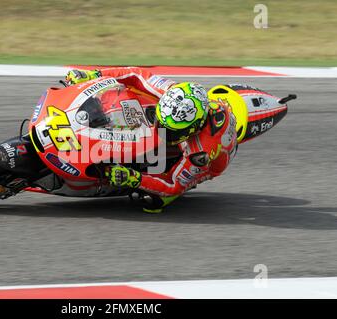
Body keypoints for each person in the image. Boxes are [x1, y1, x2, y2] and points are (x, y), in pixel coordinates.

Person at [66, 67, 238, 213]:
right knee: (128, 93)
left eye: (171, 130)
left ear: (194, 128)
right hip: (192, 115)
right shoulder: (172, 91)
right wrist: (94, 75)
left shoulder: (200, 152)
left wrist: (134, 178)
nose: (163, 131)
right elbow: (135, 74)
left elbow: (173, 184)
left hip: (208, 163)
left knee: (154, 201)